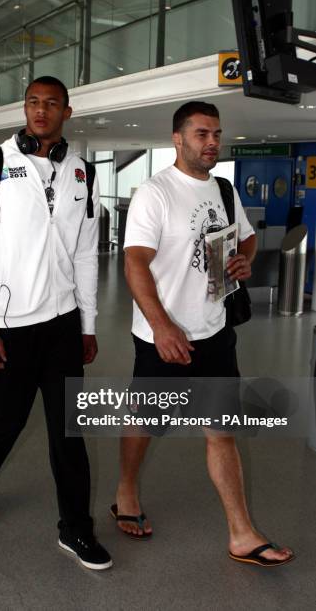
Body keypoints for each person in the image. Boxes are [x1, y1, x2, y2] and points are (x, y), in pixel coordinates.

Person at [112, 101, 294, 567]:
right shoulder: (156, 193)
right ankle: (126, 490)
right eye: (201, 134)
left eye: (216, 134)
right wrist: (161, 325)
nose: (212, 142)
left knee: (221, 432)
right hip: (162, 335)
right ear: (178, 138)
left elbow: (246, 236)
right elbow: (133, 262)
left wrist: (245, 258)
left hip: (215, 331)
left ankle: (241, 533)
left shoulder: (225, 189)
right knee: (144, 419)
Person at [0, 76, 112, 571]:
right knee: (3, 422)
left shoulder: (82, 173)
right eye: (32, 103)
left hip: (62, 324)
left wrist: (87, 324)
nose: (40, 111)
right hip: (9, 326)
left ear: (68, 110)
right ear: (25, 109)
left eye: (51, 104)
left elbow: (87, 255)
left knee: (69, 432)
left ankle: (75, 529)